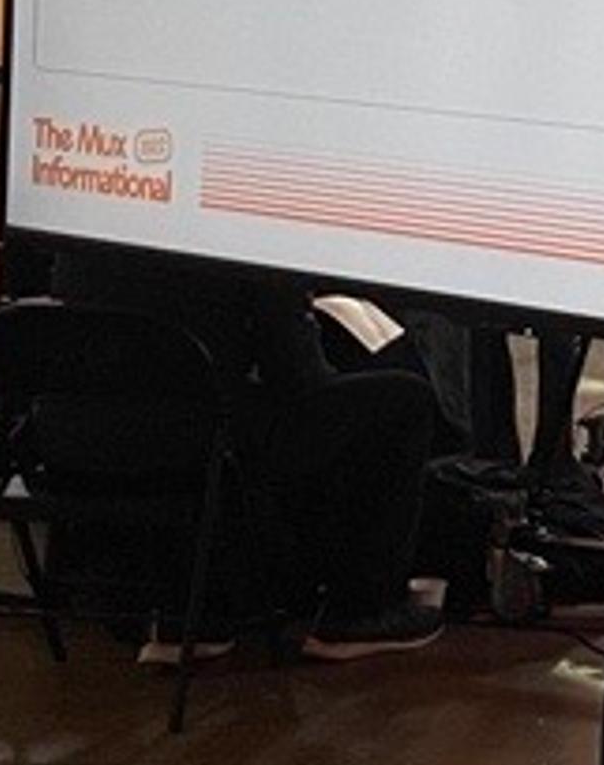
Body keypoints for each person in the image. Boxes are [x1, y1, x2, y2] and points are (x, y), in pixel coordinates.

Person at [36, 240, 445, 658]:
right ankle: (360, 612)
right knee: (402, 402)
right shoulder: (245, 239)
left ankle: (199, 616)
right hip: (195, 444)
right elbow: (299, 378)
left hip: (72, 451)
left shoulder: (76, 241)